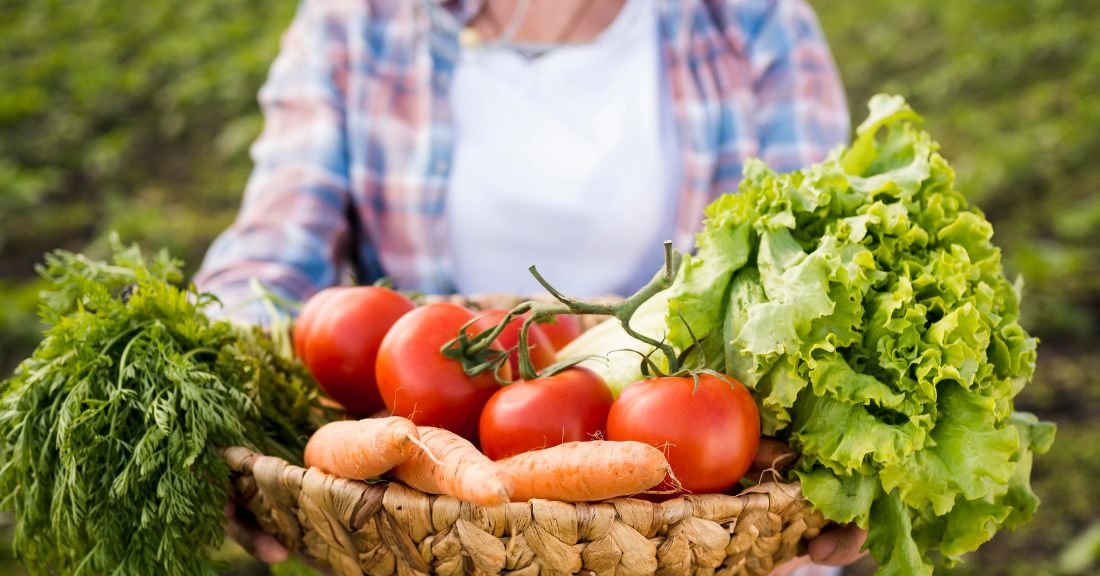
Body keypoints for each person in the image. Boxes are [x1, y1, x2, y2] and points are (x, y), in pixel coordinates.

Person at [200, 0, 865, 573]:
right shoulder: (362, 20)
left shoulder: (750, 21)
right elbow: (274, 250)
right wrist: (212, 398)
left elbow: (817, 258)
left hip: (718, 538)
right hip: (429, 537)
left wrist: (861, 460)